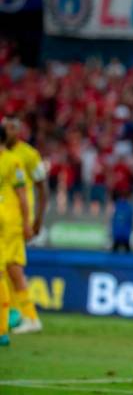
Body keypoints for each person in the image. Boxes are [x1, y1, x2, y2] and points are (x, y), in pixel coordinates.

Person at [1, 115, 45, 334]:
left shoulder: (28, 155)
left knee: (12, 266)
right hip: (4, 219)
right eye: (5, 127)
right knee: (6, 269)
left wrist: (36, 220)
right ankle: (13, 315)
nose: (8, 131)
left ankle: (29, 316)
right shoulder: (4, 155)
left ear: (19, 130)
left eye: (12, 127)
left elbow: (41, 187)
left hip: (16, 219)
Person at [0, 125, 32, 345]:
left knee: (7, 270)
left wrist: (27, 222)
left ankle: (11, 322)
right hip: (6, 222)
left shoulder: (14, 161)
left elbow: (22, 196)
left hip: (9, 225)